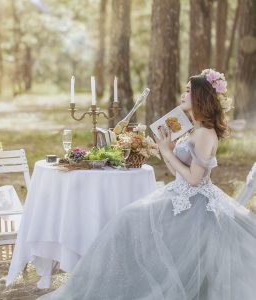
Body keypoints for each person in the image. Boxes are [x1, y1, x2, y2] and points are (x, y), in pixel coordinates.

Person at [39, 69, 256, 300]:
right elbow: (178, 173)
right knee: (126, 219)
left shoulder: (204, 133)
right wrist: (169, 151)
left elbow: (194, 180)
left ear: (201, 97)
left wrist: (166, 151)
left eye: (188, 91)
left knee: (129, 219)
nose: (183, 95)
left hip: (194, 206)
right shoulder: (195, 129)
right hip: (180, 195)